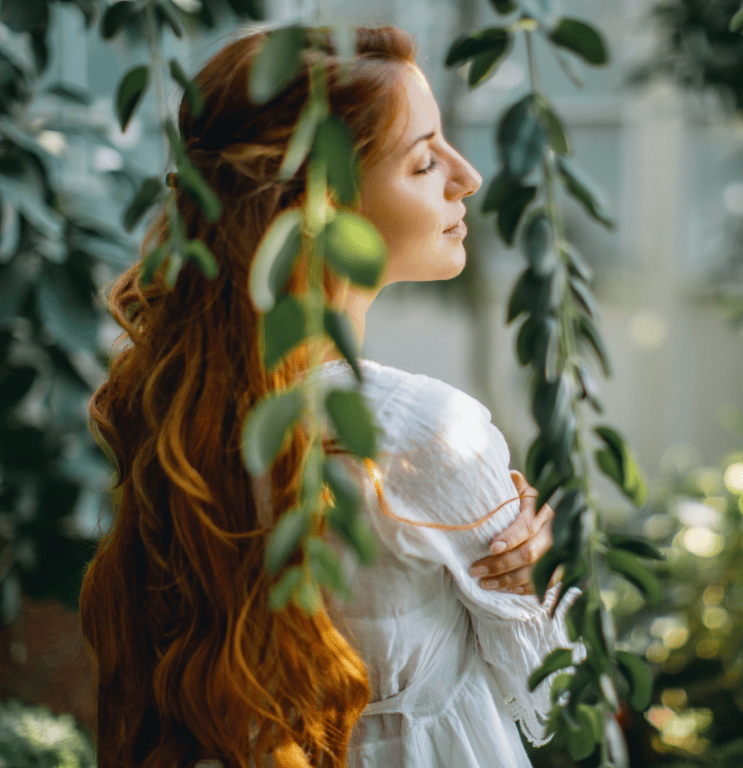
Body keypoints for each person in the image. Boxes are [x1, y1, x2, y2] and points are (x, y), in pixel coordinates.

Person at [79, 26, 574, 768]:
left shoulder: (180, 410)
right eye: (423, 160)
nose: (466, 176)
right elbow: (551, 692)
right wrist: (545, 576)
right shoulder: (423, 432)